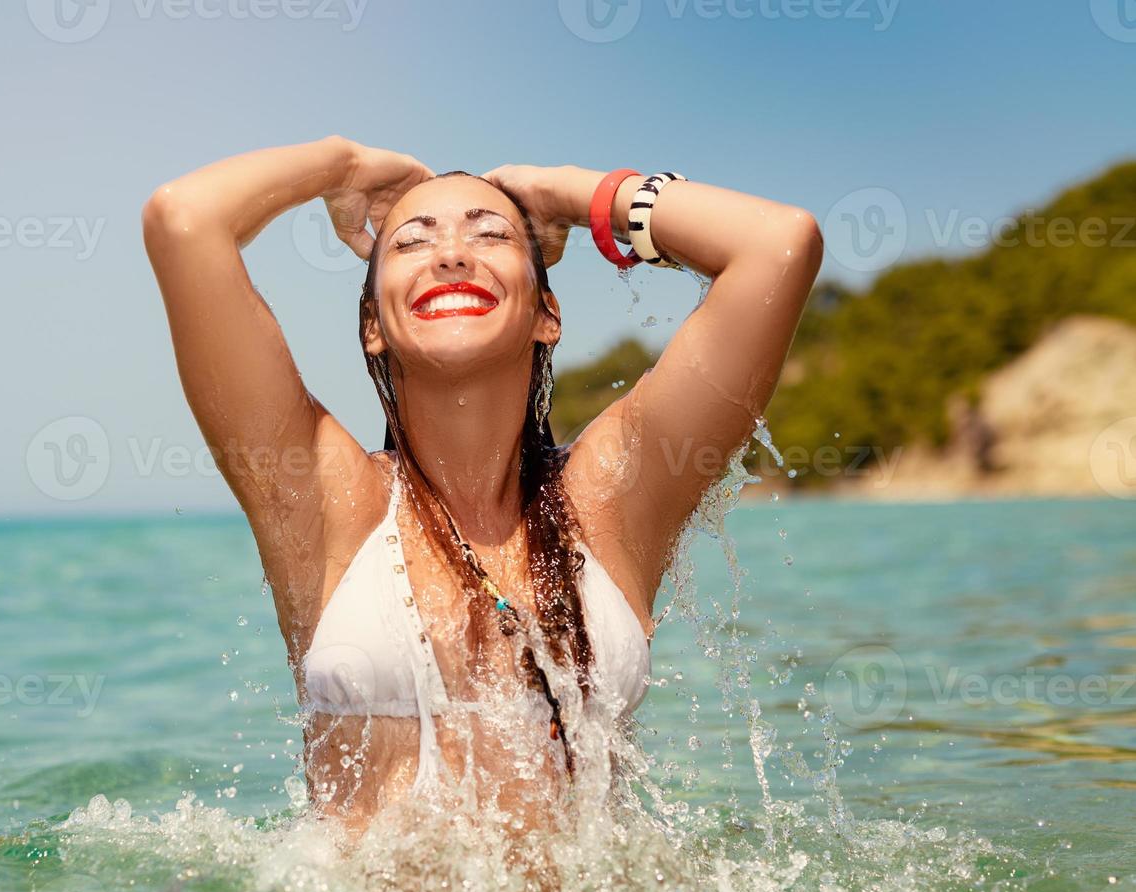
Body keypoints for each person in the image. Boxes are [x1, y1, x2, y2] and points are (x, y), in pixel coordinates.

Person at [140, 136, 822, 850]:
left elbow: (778, 243)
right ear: (373, 326)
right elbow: (186, 220)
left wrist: (567, 194)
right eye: (411, 242)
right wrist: (340, 169)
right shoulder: (327, 500)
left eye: (490, 235)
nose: (451, 254)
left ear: (545, 316)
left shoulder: (612, 499)